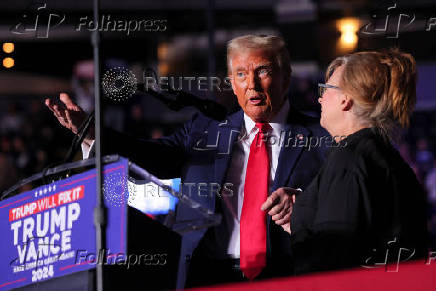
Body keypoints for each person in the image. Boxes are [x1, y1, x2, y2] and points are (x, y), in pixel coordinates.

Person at [45, 35, 327, 288]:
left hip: (290, 275)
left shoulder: (322, 137)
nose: (251, 84)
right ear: (231, 82)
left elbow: (344, 202)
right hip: (210, 275)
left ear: (286, 77)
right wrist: (94, 134)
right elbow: (153, 156)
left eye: (262, 71)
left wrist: (304, 204)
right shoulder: (205, 129)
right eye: (241, 74)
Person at [288, 49, 429, 274]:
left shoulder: (348, 158)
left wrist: (300, 227)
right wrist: (305, 211)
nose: (320, 98)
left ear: (346, 99)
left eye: (326, 89)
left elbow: (332, 258)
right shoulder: (383, 157)